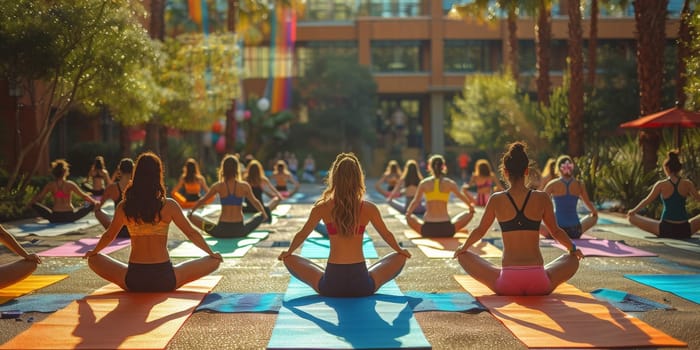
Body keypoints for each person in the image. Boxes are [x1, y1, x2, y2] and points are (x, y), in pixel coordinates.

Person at [454, 142, 583, 296]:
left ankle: (477, 261)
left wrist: (463, 248)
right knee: (572, 259)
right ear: (527, 170)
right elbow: (555, 231)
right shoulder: (542, 198)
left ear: (505, 172)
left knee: (464, 257)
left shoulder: (496, 199)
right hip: (539, 282)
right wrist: (573, 249)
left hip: (508, 283)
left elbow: (480, 230)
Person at [84, 152, 222, 292]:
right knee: (214, 261)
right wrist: (211, 253)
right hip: (165, 279)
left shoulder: (124, 207)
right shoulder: (170, 205)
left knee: (93, 259)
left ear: (135, 174)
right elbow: (191, 233)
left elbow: (109, 235)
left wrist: (94, 251)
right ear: (158, 175)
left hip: (134, 280)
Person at [277, 153, 411, 297]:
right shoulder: (369, 208)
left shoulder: (322, 207)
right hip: (362, 285)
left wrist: (288, 252)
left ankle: (299, 261)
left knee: (289, 259)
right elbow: (387, 234)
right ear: (358, 179)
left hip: (331, 285)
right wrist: (400, 250)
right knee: (399, 257)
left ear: (334, 178)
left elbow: (302, 234)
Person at [188, 155, 269, 238]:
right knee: (260, 216)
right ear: (236, 169)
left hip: (221, 231)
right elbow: (255, 201)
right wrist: (264, 215)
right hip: (240, 230)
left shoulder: (218, 186)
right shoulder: (244, 186)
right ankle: (263, 215)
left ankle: (190, 215)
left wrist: (191, 211)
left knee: (192, 217)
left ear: (223, 169)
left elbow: (203, 200)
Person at [627, 150, 700, 239]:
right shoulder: (688, 183)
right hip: (685, 230)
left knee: (631, 218)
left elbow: (647, 201)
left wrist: (633, 211)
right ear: (679, 168)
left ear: (667, 168)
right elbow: (698, 198)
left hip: (665, 229)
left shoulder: (661, 184)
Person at [405, 154, 475, 237]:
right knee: (470, 213)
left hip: (428, 229)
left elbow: (416, 201)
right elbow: (461, 196)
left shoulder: (424, 183)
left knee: (408, 217)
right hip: (447, 229)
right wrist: (471, 208)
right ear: (443, 167)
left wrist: (408, 213)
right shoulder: (449, 183)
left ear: (430, 167)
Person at [542, 155, 598, 239]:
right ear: (572, 168)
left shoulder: (552, 184)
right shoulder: (579, 184)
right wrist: (594, 213)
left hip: (556, 231)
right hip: (575, 231)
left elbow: (541, 202)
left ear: (559, 168)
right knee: (594, 217)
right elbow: (588, 203)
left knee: (533, 222)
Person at [30, 159, 98, 223]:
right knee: (91, 205)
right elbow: (84, 196)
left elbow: (40, 197)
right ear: (65, 172)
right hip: (70, 216)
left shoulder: (50, 185)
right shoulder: (70, 184)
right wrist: (94, 202)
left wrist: (31, 204)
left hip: (55, 217)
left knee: (34, 204)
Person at [95, 158, 134, 238]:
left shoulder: (112, 188)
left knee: (97, 211)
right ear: (133, 170)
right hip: (134, 230)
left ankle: (111, 230)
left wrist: (94, 204)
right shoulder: (138, 186)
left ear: (120, 170)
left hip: (117, 231)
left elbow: (99, 206)